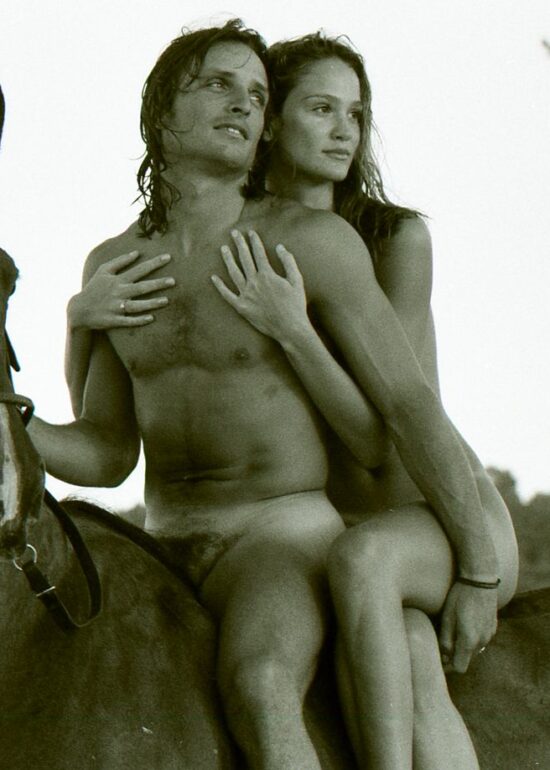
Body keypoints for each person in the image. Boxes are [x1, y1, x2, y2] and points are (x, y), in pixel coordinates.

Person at [30, 21, 516, 770]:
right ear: (161, 111)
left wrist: (479, 572)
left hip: (280, 536)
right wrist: (14, 419)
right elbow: (107, 453)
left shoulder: (312, 243)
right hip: (161, 537)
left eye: (256, 96)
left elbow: (408, 410)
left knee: (261, 684)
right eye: (218, 85)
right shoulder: (112, 264)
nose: (242, 104)